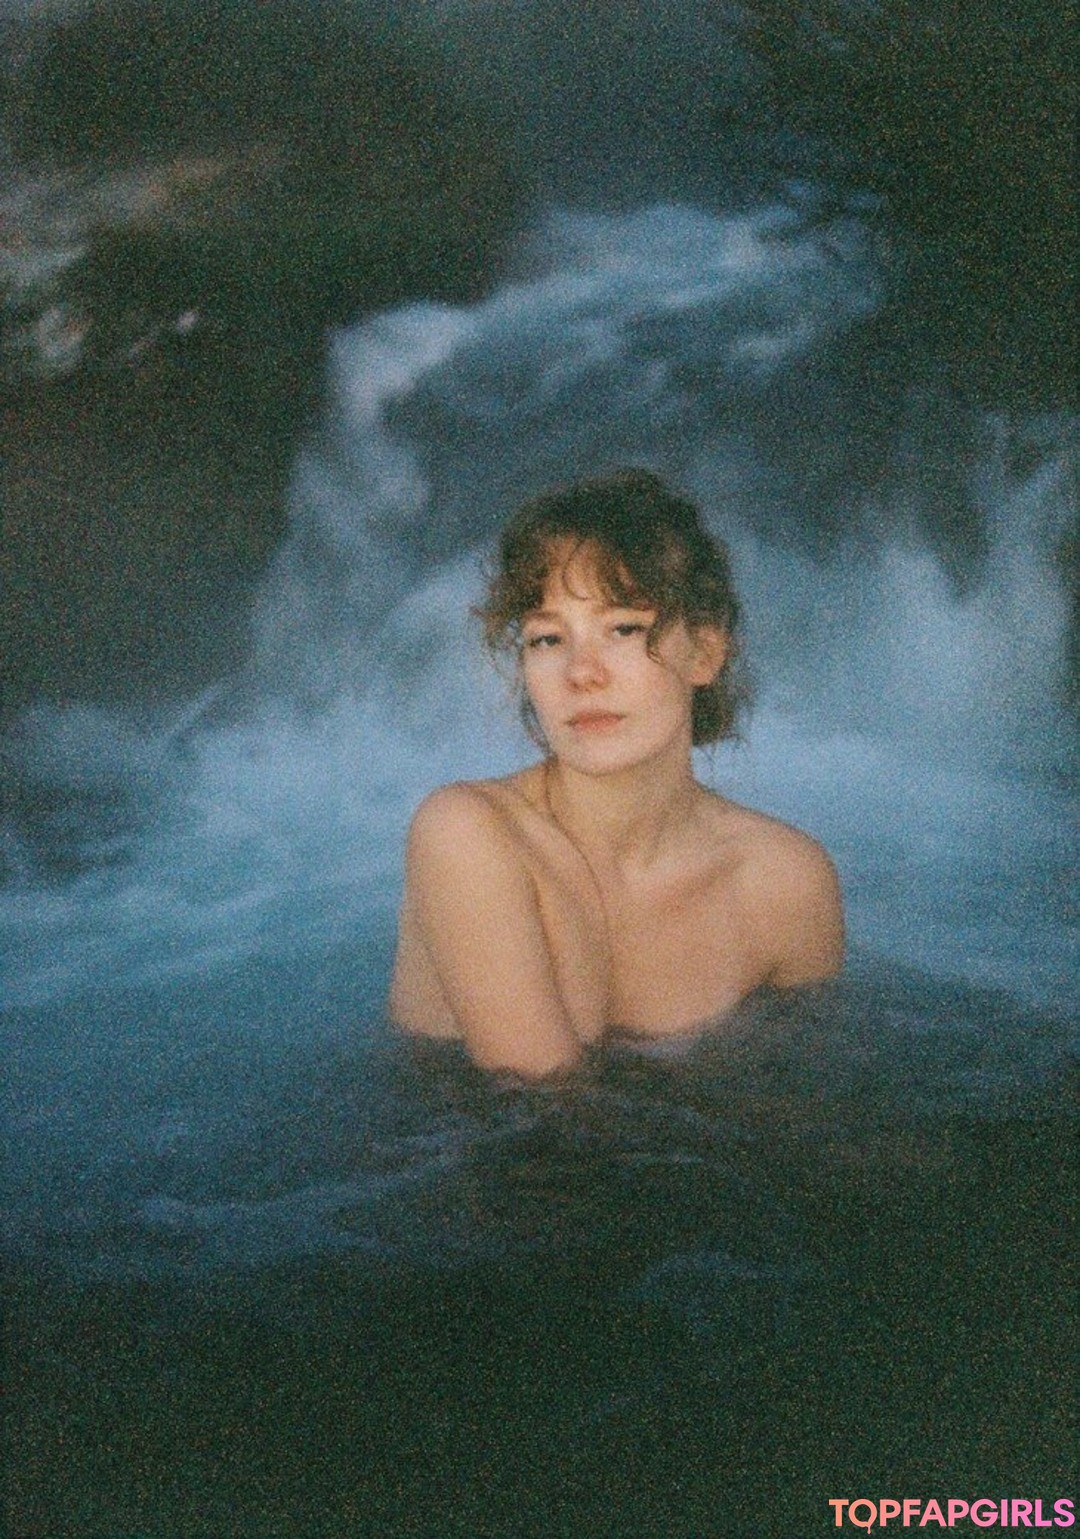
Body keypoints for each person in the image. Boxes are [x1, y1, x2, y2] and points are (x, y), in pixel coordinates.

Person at [389, 469, 843, 1077]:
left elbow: (804, 1098)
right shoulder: (468, 834)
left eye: (623, 629)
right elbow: (542, 1114)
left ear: (705, 653)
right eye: (547, 640)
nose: (582, 673)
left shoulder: (787, 881)